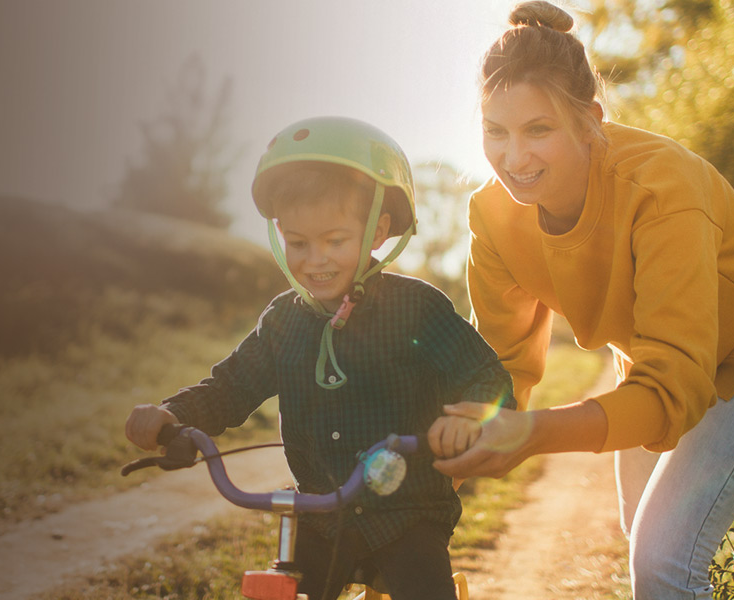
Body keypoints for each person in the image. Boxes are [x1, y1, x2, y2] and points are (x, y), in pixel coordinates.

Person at [436, 2, 734, 598]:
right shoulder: (492, 218)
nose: (514, 159)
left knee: (663, 561)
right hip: (657, 355)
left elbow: (673, 390)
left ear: (589, 121)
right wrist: (433, 471)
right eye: (495, 131)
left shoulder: (661, 187)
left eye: (539, 130)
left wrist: (532, 433)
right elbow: (500, 370)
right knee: (643, 540)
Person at [125, 116, 515, 600]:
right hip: (319, 513)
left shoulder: (416, 308)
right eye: (298, 243)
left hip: (407, 511)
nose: (315, 260)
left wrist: (473, 415)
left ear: (378, 231)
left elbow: (484, 374)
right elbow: (232, 385)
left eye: (335, 240)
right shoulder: (283, 322)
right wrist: (174, 414)